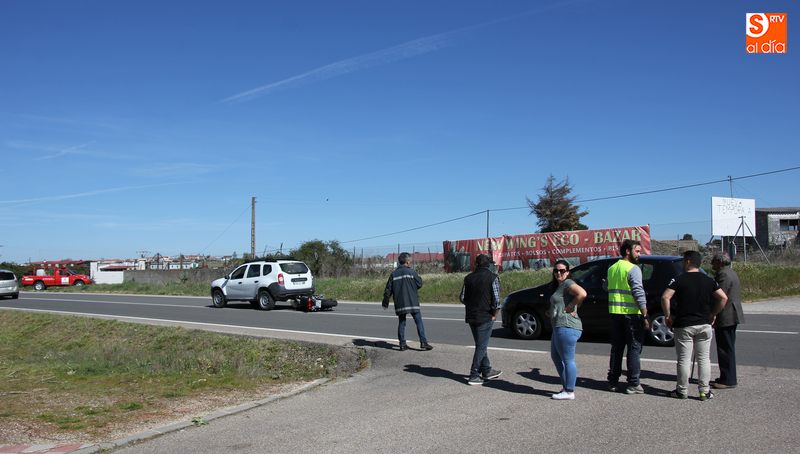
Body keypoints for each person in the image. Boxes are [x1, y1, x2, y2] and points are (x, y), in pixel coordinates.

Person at [661, 250, 727, 400]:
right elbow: (723, 298)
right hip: (704, 324)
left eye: (684, 261)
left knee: (684, 359)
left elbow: (665, 297)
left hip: (684, 324)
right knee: (704, 359)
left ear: (688, 262)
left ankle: (682, 390)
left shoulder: (678, 280)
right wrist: (713, 313)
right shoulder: (709, 280)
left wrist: (667, 315)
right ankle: (704, 390)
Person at [606, 239, 649, 394]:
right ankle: (633, 383)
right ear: (627, 251)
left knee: (617, 349)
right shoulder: (633, 269)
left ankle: (612, 381)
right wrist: (645, 314)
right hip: (631, 315)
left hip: (615, 314)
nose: (640, 254)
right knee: (634, 348)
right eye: (637, 251)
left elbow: (607, 287)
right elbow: (638, 292)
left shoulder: (612, 268)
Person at [460, 254, 502, 386]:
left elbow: (462, 297)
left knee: (480, 344)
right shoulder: (493, 277)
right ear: (488, 264)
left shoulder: (468, 278)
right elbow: (496, 300)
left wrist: (472, 304)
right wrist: (495, 313)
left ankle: (487, 370)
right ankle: (474, 374)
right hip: (485, 316)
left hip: (471, 315)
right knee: (481, 345)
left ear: (476, 264)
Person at [548, 260, 587, 400]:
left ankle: (569, 391)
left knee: (568, 359)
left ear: (568, 272)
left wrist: (571, 306)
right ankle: (566, 386)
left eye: (562, 270)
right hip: (559, 326)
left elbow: (582, 294)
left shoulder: (568, 283)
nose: (559, 273)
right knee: (556, 357)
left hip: (566, 326)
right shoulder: (559, 287)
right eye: (556, 270)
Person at [382, 252, 433, 351]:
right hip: (413, 301)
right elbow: (419, 283)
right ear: (407, 262)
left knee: (402, 322)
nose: (411, 263)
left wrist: (385, 302)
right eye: (410, 261)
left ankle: (402, 344)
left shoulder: (393, 274)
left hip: (400, 303)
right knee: (419, 322)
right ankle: (423, 342)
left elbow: (388, 289)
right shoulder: (412, 272)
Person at [711, 252, 744, 389]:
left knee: (725, 348)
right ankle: (726, 376)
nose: (712, 264)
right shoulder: (731, 272)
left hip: (726, 315)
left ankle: (728, 379)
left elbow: (720, 295)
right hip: (732, 313)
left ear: (719, 262)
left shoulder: (723, 274)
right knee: (727, 346)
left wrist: (713, 313)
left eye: (713, 261)